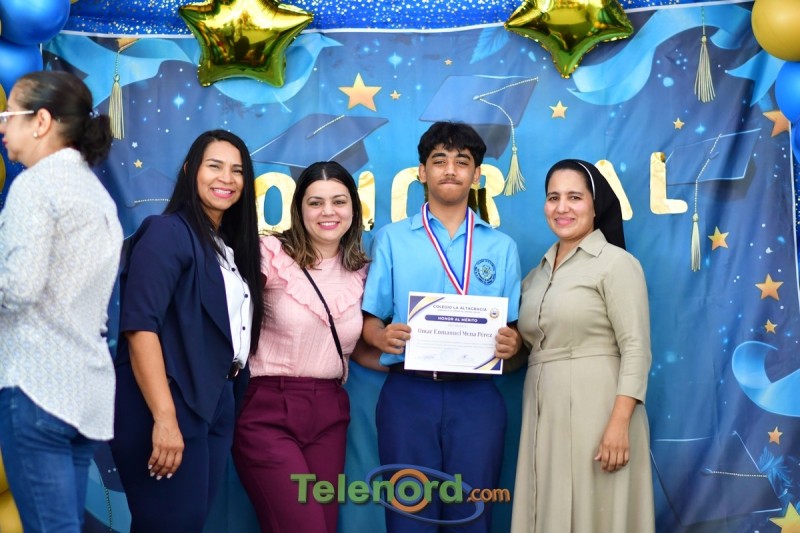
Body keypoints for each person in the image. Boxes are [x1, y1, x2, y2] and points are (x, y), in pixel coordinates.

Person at [361, 121, 522, 532]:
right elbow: (370, 320)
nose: (450, 169)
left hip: (477, 398)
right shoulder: (391, 239)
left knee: (472, 516)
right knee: (408, 517)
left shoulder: (501, 247)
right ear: (422, 171)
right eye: (439, 160)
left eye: (462, 161)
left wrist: (513, 342)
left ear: (477, 174)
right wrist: (381, 336)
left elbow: (515, 331)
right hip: (408, 394)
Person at [110, 129, 264, 532]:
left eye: (237, 170)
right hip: (168, 402)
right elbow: (140, 328)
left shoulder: (226, 249)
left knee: (181, 524)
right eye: (214, 166)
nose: (226, 178)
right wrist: (164, 417)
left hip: (215, 400)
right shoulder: (166, 232)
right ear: (189, 170)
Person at [0, 70, 123, 532]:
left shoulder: (35, 186)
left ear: (41, 121)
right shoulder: (97, 193)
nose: (2, 127)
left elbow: (19, 288)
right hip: (85, 392)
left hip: (36, 384)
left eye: (8, 115)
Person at [510, 159, 655, 532]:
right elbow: (529, 350)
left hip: (600, 412)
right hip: (544, 415)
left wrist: (619, 424)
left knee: (598, 511)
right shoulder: (535, 276)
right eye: (553, 197)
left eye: (574, 197)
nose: (562, 207)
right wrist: (508, 348)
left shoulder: (616, 264)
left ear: (595, 204)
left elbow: (636, 348)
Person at [233, 161, 369, 533]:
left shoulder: (361, 271)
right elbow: (228, 312)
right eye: (315, 202)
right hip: (267, 409)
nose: (328, 212)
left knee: (323, 525)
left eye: (338, 201)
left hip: (329, 413)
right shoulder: (269, 254)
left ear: (353, 208)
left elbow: (356, 348)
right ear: (299, 209)